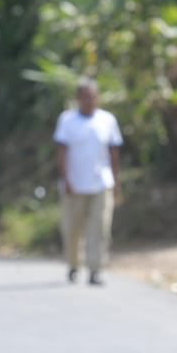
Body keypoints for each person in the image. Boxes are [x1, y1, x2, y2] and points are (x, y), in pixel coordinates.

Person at [54, 77, 122, 286]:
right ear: (78, 99)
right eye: (85, 97)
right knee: (72, 229)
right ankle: (73, 264)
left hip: (101, 183)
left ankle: (95, 269)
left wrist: (116, 180)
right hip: (74, 185)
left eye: (92, 97)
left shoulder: (107, 120)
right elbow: (62, 152)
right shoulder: (67, 120)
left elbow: (113, 152)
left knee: (100, 228)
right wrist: (66, 179)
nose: (89, 101)